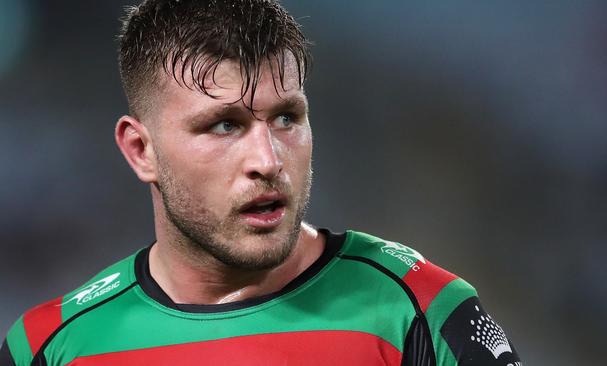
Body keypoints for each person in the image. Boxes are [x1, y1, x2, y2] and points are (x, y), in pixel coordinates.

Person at [1, 1, 521, 365]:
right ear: (142, 151)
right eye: (225, 125)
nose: (268, 160)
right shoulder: (48, 347)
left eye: (287, 118)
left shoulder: (421, 311)